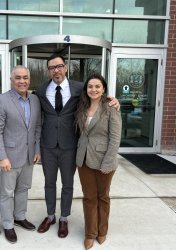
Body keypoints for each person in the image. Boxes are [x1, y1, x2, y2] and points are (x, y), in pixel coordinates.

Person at [35, 54, 120, 238]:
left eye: (59, 66)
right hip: (47, 145)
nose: (55, 70)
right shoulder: (41, 89)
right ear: (48, 71)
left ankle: (64, 218)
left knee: (67, 184)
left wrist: (113, 100)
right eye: (51, 67)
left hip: (70, 146)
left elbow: (96, 95)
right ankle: (50, 216)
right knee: (49, 183)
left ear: (65, 67)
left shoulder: (80, 87)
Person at [0, 65, 42, 244]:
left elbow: (37, 127)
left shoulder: (35, 100)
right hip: (9, 158)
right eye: (18, 78)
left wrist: (37, 150)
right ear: (12, 80)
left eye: (25, 77)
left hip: (29, 156)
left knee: (23, 189)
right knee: (6, 193)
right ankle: (8, 224)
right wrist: (1, 157)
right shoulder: (1, 100)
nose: (22, 81)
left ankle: (20, 217)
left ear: (29, 79)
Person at [75, 74, 121, 249]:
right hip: (84, 159)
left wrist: (108, 163)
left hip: (104, 160)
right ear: (86, 89)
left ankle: (102, 231)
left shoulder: (111, 108)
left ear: (103, 89)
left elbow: (115, 138)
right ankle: (90, 233)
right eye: (90, 86)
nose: (93, 89)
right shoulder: (81, 107)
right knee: (89, 197)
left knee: (103, 197)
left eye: (97, 86)